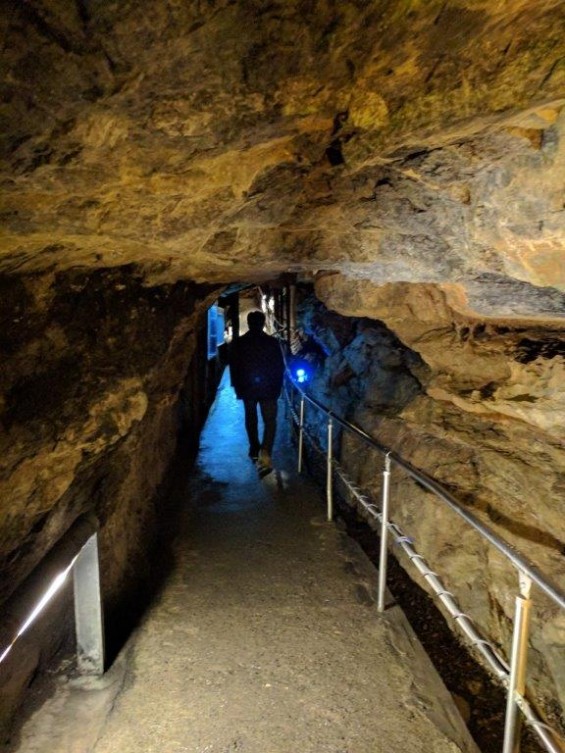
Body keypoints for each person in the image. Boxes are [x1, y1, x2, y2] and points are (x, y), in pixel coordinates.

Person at [229, 310, 285, 471]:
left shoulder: (239, 343)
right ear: (262, 323)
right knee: (270, 421)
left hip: (248, 388)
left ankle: (254, 447)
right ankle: (265, 451)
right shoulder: (272, 342)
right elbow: (278, 367)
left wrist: (237, 388)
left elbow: (234, 367)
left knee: (251, 419)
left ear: (248, 322)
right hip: (268, 389)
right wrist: (278, 387)